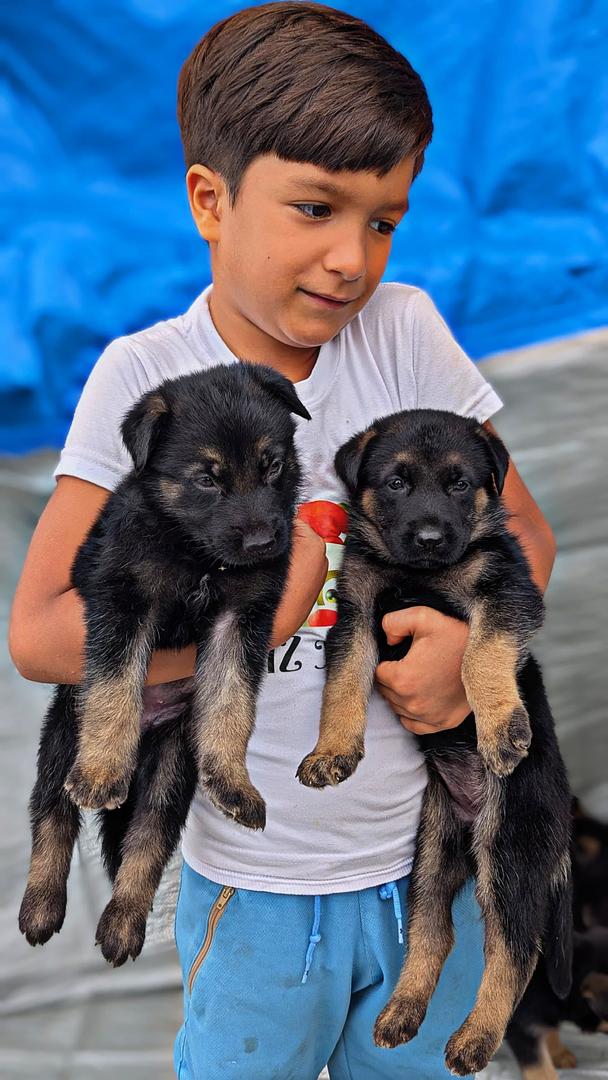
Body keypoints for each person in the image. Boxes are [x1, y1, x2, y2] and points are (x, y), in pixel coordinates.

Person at [9, 4, 557, 1078]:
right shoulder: (143, 376)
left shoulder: (404, 331)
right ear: (210, 200)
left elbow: (521, 532)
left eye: (383, 221)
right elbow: (39, 634)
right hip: (259, 886)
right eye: (313, 207)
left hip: (419, 871)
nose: (350, 257)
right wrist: (231, 643)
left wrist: (468, 664)